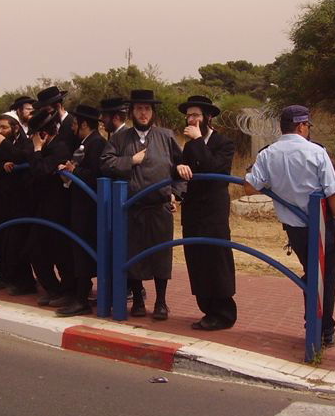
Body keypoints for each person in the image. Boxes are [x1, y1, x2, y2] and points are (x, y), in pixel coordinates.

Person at [244, 105, 335, 346]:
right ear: (301, 125)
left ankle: (314, 320)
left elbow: (250, 186)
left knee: (312, 273)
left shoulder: (268, 154)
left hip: (294, 228)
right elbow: (333, 193)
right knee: (325, 277)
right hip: (321, 226)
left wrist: (273, 186)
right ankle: (323, 328)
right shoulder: (316, 152)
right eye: (307, 126)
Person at [100, 89, 184, 320]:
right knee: (133, 253)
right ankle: (137, 299)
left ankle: (161, 302)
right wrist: (130, 161)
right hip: (131, 207)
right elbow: (106, 163)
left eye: (147, 109)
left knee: (161, 255)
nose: (143, 113)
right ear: (131, 112)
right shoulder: (120, 138)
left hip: (160, 207)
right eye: (139, 109)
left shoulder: (166, 136)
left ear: (153, 112)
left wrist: (175, 194)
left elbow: (180, 169)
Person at [175, 96, 237, 331]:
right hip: (193, 211)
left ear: (208, 118)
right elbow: (182, 168)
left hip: (214, 212)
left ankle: (223, 312)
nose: (191, 119)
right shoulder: (189, 145)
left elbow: (214, 168)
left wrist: (199, 140)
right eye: (189, 115)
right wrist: (178, 167)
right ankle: (206, 309)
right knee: (197, 260)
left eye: (196, 115)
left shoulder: (224, 143)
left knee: (216, 260)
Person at [56, 105, 107, 317]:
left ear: (84, 124)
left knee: (84, 252)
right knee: (78, 251)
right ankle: (78, 295)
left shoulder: (96, 144)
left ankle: (82, 299)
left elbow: (96, 175)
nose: (73, 127)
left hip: (88, 209)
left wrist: (76, 171)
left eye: (76, 124)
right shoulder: (85, 144)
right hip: (79, 206)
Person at [26, 107, 76, 305]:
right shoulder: (46, 149)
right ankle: (53, 289)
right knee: (35, 250)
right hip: (42, 209)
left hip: (58, 209)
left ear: (43, 134)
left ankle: (68, 291)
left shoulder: (60, 149)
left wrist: (37, 150)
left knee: (61, 253)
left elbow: (41, 171)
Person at [0, 112, 35, 294]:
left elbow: (23, 157)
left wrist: (3, 144)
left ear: (15, 128)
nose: (0, 131)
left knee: (17, 244)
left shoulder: (25, 142)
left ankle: (25, 282)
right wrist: (2, 167)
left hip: (21, 201)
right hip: (0, 200)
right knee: (1, 242)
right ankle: (7, 277)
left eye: (4, 127)